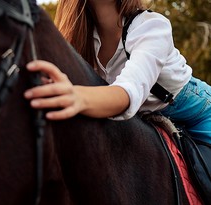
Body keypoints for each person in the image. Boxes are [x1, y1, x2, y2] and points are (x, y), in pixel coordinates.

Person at [24, 0, 211, 144]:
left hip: (196, 113)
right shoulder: (76, 39)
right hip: (140, 122)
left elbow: (127, 91)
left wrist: (77, 96)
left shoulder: (152, 26)